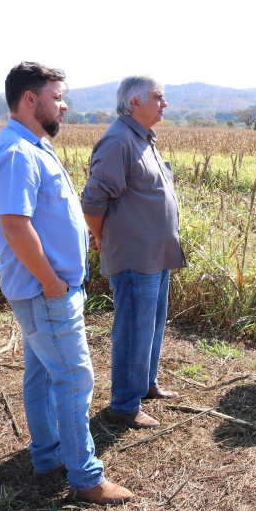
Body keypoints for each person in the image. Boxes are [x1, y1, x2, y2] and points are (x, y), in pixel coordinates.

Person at [0, 62, 131, 505]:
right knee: (74, 378)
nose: (63, 106)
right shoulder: (16, 153)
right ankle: (85, 477)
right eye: (57, 97)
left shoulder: (32, 145)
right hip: (45, 292)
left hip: (45, 290)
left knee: (43, 374)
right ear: (31, 99)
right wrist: (51, 281)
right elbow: (14, 225)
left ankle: (47, 456)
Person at [82, 75, 185, 430]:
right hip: (134, 256)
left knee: (152, 326)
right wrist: (101, 236)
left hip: (156, 253)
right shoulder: (118, 140)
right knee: (132, 330)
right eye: (158, 97)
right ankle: (125, 404)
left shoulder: (142, 138)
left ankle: (145, 384)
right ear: (135, 102)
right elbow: (93, 201)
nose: (164, 103)